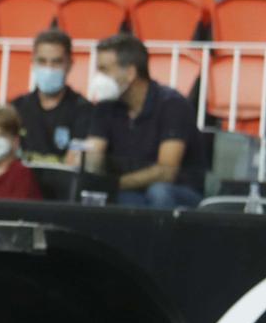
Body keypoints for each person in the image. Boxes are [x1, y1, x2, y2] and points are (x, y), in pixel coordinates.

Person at [85, 33, 205, 209]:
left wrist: (113, 184)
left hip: (179, 193)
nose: (98, 77)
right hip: (129, 191)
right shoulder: (106, 106)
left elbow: (166, 172)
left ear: (130, 73)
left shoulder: (172, 105)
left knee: (159, 192)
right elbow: (92, 156)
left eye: (104, 69)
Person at [12, 29, 92, 163]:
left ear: (69, 64)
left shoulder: (84, 110)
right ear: (33, 62)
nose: (49, 68)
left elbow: (74, 162)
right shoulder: (17, 107)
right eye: (42, 61)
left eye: (56, 62)